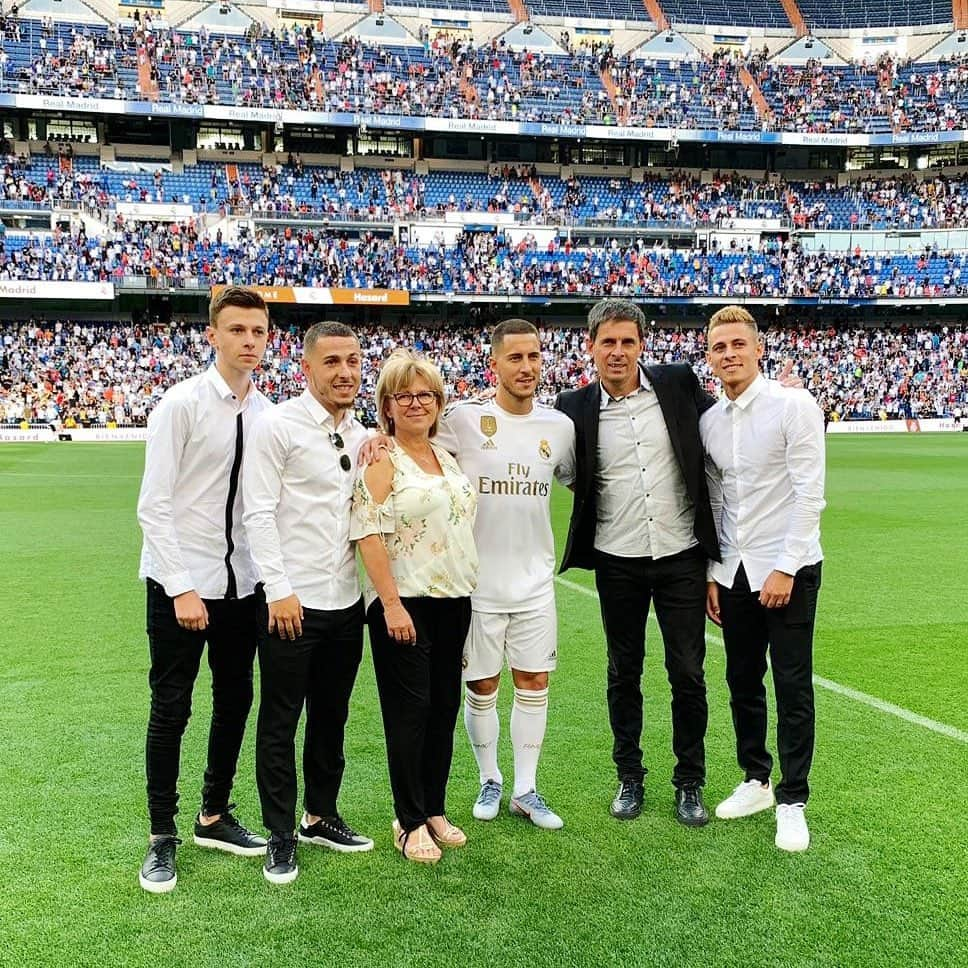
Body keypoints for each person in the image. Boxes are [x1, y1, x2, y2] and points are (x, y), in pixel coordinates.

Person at [555, 297, 720, 827]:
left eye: (628, 341)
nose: (619, 352)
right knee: (623, 672)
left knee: (688, 674)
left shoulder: (677, 384)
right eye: (608, 342)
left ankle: (689, 782)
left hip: (682, 557)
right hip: (617, 558)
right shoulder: (572, 407)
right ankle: (629, 777)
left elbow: (724, 433)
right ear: (591, 347)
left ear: (642, 345)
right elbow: (562, 469)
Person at [135, 286, 271, 894]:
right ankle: (161, 835)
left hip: (242, 585)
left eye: (258, 331)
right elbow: (153, 506)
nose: (248, 341)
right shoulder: (181, 404)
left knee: (236, 699)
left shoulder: (267, 411)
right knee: (172, 708)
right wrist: (184, 587)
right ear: (212, 335)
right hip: (181, 584)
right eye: (237, 330)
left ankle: (213, 813)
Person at [242, 321, 373, 885]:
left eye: (352, 361)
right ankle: (279, 833)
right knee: (280, 720)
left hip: (346, 601)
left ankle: (320, 815)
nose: (345, 372)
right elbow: (258, 513)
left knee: (332, 717)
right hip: (290, 604)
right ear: (307, 368)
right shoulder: (278, 426)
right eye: (332, 362)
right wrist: (279, 588)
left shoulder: (362, 431)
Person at [435, 318, 575, 829]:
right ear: (494, 363)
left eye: (534, 356)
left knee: (534, 680)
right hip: (476, 583)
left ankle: (527, 788)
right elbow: (413, 440)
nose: (526, 367)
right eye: (514, 358)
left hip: (536, 581)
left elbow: (581, 482)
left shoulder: (560, 428)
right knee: (483, 684)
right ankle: (489, 777)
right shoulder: (463, 420)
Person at [702, 306, 825, 853]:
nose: (728, 355)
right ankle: (756, 779)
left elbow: (809, 493)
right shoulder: (709, 421)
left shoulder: (792, 406)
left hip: (787, 569)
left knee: (792, 684)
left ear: (757, 349)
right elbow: (717, 501)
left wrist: (785, 567)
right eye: (717, 347)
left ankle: (793, 799)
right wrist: (714, 571)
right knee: (742, 680)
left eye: (736, 345)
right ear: (709, 356)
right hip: (733, 571)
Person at [350, 350, 478, 864]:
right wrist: (391, 605)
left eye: (426, 394)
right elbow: (368, 531)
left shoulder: (446, 458)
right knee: (410, 714)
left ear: (439, 401)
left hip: (454, 600)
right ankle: (407, 820)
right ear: (387, 404)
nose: (416, 403)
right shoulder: (382, 458)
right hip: (405, 604)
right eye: (404, 395)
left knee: (444, 707)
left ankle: (434, 808)